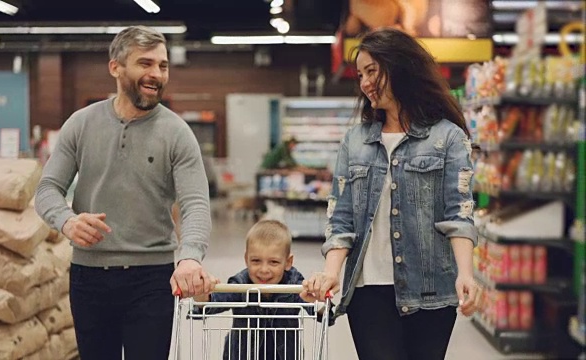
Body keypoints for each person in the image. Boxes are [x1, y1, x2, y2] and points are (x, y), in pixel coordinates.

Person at [34, 25, 216, 360]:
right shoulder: (80, 124)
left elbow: (195, 204)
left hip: (152, 279)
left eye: (162, 66)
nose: (156, 74)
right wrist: (67, 222)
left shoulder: (177, 133)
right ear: (116, 67)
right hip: (89, 278)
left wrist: (190, 255)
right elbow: (47, 189)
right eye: (145, 64)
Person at [302, 28, 478, 360]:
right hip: (369, 290)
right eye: (360, 74)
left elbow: (459, 214)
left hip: (432, 289)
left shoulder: (447, 138)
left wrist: (466, 274)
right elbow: (340, 218)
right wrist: (331, 272)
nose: (365, 82)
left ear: (399, 66)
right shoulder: (355, 141)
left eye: (372, 71)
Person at [193, 220, 326, 360]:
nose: (264, 270)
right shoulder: (240, 283)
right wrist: (202, 294)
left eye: (273, 262)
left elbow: (318, 310)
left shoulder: (294, 284)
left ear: (288, 262)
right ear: (246, 259)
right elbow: (213, 302)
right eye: (256, 261)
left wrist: (318, 299)